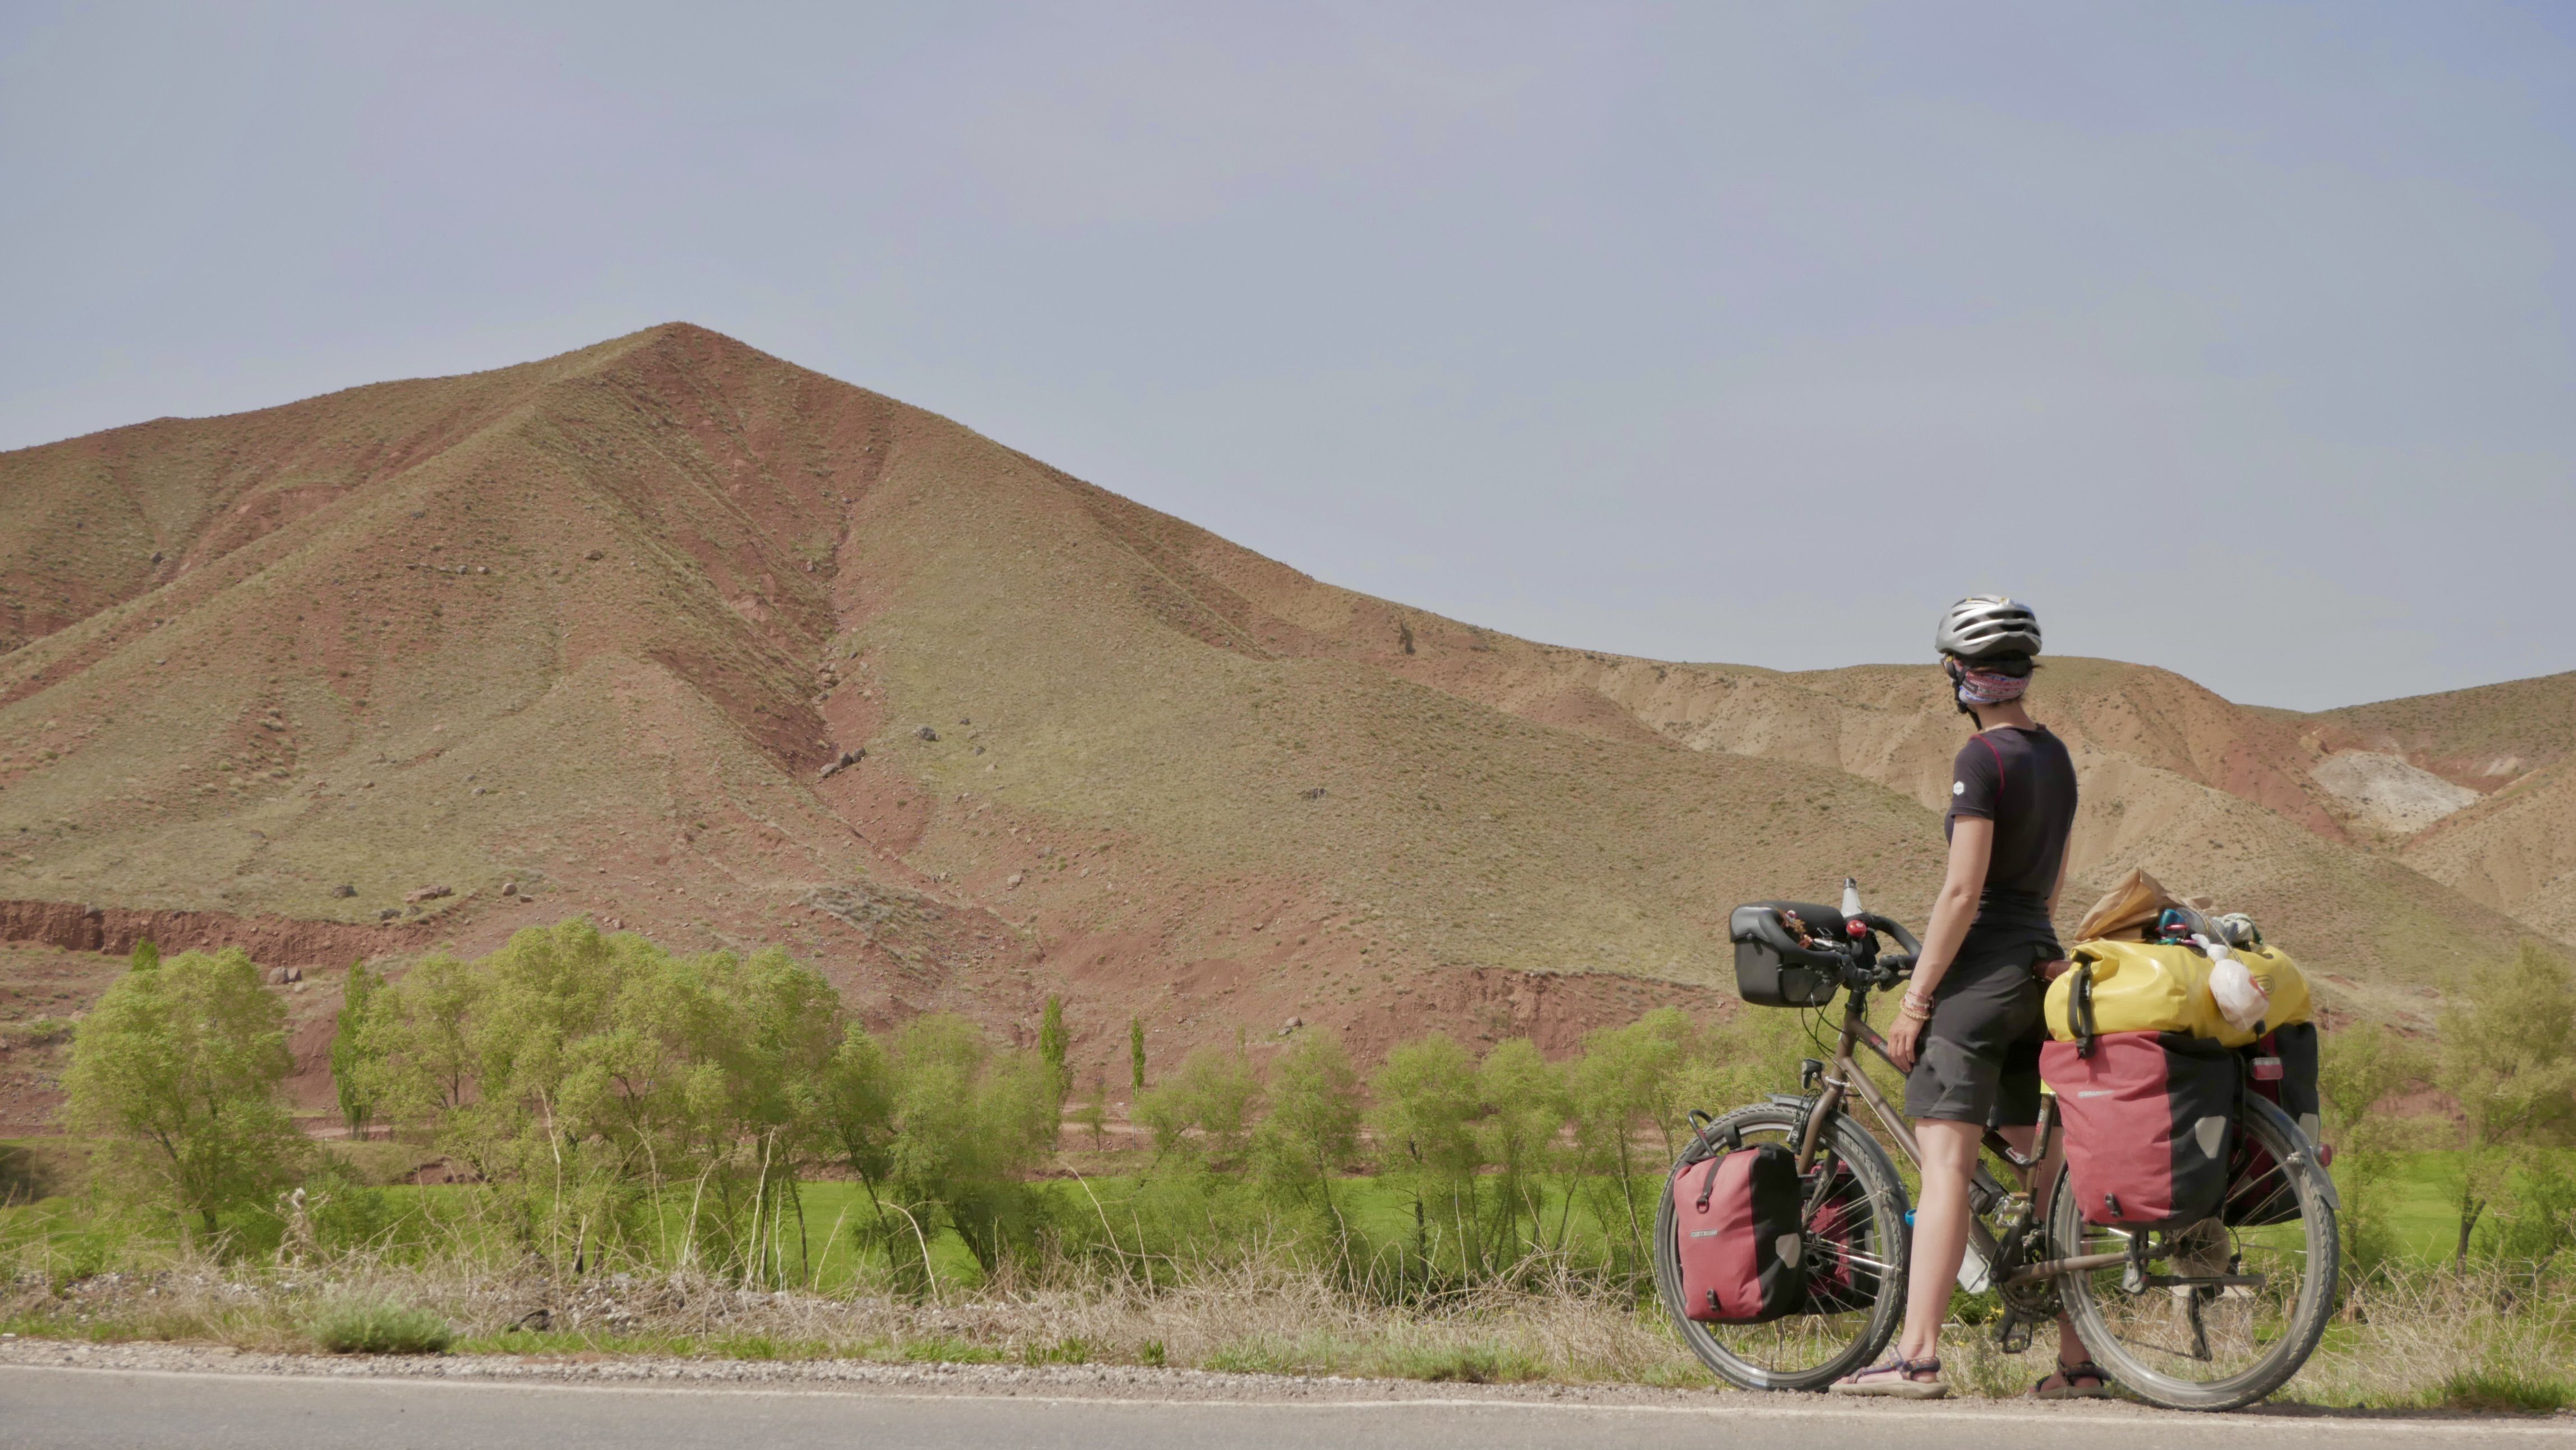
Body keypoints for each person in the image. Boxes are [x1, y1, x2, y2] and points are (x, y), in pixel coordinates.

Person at [1831, 596, 2105, 1400]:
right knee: (2044, 1175)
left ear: (1961, 675)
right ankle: (2080, 1364)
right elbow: (2051, 880)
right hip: (2040, 971)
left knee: (1945, 1166)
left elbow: (1960, 891)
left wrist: (1917, 1003)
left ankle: (1916, 1358)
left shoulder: (1982, 760)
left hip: (1981, 976)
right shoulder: (2055, 756)